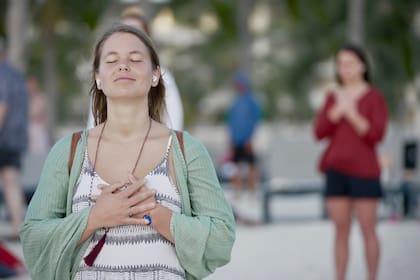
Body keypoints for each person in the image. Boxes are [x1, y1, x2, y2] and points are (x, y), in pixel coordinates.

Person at [20, 24, 235, 280]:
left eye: (135, 59)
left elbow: (222, 238)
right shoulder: (67, 151)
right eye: (111, 60)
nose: (123, 66)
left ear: (156, 74)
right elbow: (32, 240)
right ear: (98, 77)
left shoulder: (187, 150)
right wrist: (95, 218)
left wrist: (154, 214)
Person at [313, 44, 388, 280]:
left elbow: (376, 134)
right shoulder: (332, 97)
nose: (344, 68)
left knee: (368, 229)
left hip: (365, 171)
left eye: (349, 63)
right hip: (336, 170)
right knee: (340, 230)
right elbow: (319, 132)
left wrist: (352, 113)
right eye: (340, 64)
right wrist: (335, 112)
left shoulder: (374, 97)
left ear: (362, 66)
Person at [87, 6, 184, 131]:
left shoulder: (165, 79)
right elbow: (94, 121)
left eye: (135, 32)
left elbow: (174, 122)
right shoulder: (106, 75)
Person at [0, 37, 28, 240]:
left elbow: (2, 106)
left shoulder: (1, 75)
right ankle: (18, 226)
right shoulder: (17, 76)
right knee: (12, 181)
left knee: (10, 181)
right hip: (17, 137)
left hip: (3, 136)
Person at [227, 71, 261, 198]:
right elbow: (231, 122)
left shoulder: (251, 101)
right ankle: (237, 192)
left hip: (247, 139)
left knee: (252, 166)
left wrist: (250, 137)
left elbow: (255, 120)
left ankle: (253, 192)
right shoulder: (235, 102)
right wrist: (231, 139)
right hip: (236, 140)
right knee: (236, 167)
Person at [27, 76, 50, 155]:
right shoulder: (25, 98)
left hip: (38, 129)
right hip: (27, 128)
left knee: (40, 151)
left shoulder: (41, 98)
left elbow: (41, 114)